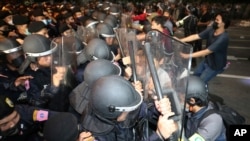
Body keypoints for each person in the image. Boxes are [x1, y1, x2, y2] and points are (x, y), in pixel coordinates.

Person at [80, 75, 177, 141]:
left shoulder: (115, 106)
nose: (129, 111)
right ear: (113, 112)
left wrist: (157, 108)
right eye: (126, 110)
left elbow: (141, 110)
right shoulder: (93, 136)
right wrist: (159, 136)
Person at [179, 11, 230, 84]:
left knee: (200, 83)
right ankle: (197, 92)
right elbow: (196, 36)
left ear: (224, 23)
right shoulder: (211, 30)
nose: (214, 22)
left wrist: (188, 56)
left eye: (217, 20)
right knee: (195, 77)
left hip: (215, 66)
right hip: (207, 61)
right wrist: (180, 40)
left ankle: (200, 94)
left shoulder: (223, 38)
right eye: (215, 19)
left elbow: (207, 51)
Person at [184, 75, 226, 141]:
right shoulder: (192, 110)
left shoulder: (213, 121)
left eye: (180, 98)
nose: (178, 101)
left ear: (192, 101)